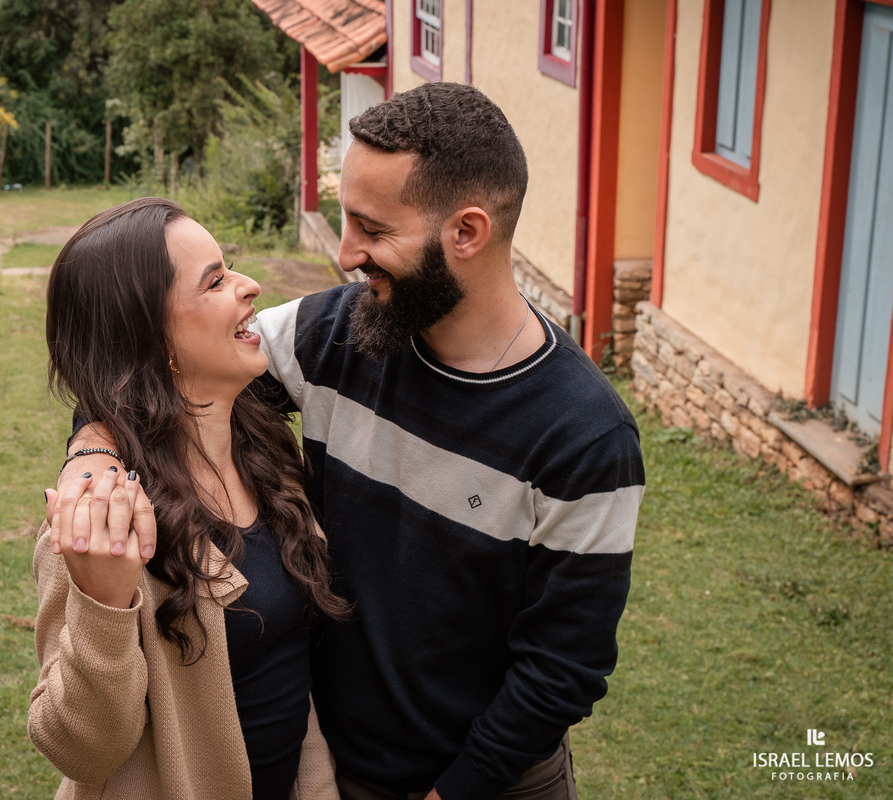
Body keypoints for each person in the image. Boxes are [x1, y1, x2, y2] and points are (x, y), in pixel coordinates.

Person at [56, 83, 645, 800]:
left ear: (466, 233)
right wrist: (92, 455)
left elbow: (564, 668)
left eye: (372, 228)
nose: (345, 253)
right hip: (330, 770)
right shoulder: (336, 332)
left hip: (489, 785)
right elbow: (146, 374)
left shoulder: (584, 435)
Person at [30, 197, 350, 800]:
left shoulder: (266, 454)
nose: (251, 286)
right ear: (155, 341)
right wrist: (104, 601)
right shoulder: (101, 519)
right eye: (217, 281)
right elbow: (78, 748)